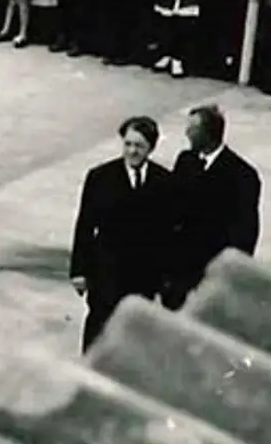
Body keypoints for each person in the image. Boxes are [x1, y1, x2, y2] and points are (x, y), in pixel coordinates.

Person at [68, 113, 184, 352]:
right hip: (106, 273)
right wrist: (79, 271)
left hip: (143, 275)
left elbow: (170, 233)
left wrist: (166, 277)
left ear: (151, 148)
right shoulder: (100, 177)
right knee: (99, 330)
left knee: (135, 335)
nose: (132, 151)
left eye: (139, 146)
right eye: (128, 144)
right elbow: (85, 226)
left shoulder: (165, 182)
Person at [169, 102, 263, 302]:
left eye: (192, 129)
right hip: (180, 270)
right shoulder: (186, 161)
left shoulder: (243, 176)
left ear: (209, 133)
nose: (187, 133)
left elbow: (245, 233)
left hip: (213, 271)